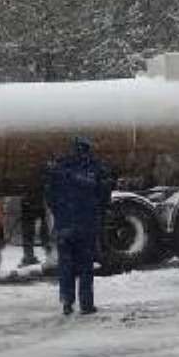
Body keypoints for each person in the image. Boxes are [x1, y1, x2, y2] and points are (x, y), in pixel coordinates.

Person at [45, 135, 112, 315]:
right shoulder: (96, 168)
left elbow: (49, 197)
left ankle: (67, 301)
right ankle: (86, 304)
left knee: (66, 265)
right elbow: (105, 196)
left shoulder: (58, 168)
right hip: (86, 224)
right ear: (88, 149)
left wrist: (60, 214)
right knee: (85, 265)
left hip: (65, 225)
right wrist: (97, 212)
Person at [19, 178, 50, 267]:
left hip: (31, 216)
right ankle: (48, 254)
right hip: (34, 216)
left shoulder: (28, 196)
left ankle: (29, 256)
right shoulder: (37, 194)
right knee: (43, 235)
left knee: (30, 236)